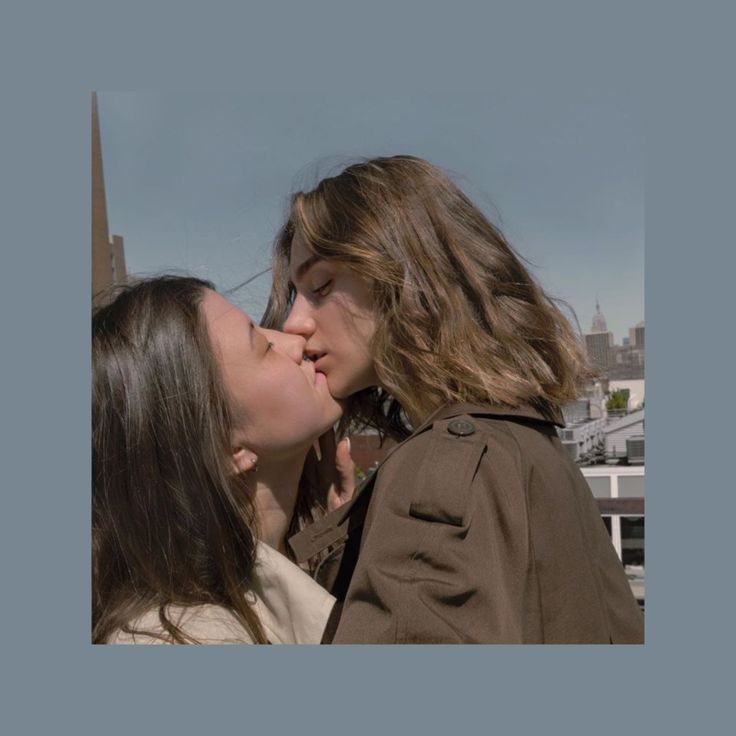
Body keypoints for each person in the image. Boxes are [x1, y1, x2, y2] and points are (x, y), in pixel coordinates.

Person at [263, 155, 645, 644]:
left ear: (406, 275)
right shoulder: (528, 441)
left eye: (320, 286)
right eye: (295, 294)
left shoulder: (445, 466)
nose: (294, 322)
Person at [92, 275, 351, 644]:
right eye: (262, 346)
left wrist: (336, 544)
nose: (295, 341)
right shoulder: (186, 640)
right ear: (224, 447)